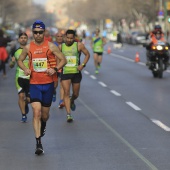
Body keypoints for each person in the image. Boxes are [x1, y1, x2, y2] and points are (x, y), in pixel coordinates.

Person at [17, 20, 67, 155]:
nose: (38, 35)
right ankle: (38, 143)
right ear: (32, 33)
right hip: (34, 84)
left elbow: (64, 59)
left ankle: (43, 124)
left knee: (44, 115)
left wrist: (55, 69)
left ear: (44, 32)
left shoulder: (51, 46)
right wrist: (25, 69)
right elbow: (20, 60)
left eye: (40, 32)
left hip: (48, 85)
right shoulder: (28, 47)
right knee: (36, 112)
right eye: (35, 32)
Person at [59, 29, 90, 122]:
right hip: (65, 73)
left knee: (75, 94)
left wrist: (83, 65)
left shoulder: (79, 45)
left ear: (74, 38)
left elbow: (87, 55)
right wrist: (58, 68)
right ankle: (68, 114)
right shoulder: (61, 47)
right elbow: (57, 58)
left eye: (71, 38)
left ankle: (72, 100)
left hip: (76, 73)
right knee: (66, 93)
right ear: (65, 37)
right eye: (67, 38)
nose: (69, 40)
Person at [9, 32, 30, 122]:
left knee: (29, 99)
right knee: (21, 96)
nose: (23, 39)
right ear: (18, 39)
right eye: (21, 37)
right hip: (19, 77)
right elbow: (11, 66)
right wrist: (13, 62)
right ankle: (23, 115)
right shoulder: (15, 51)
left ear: (27, 39)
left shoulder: (31, 50)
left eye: (25, 38)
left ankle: (25, 104)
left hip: (30, 77)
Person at [54, 31, 65, 109]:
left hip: (62, 67)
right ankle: (53, 91)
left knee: (62, 85)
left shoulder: (65, 45)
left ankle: (61, 100)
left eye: (61, 36)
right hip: (53, 67)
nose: (60, 38)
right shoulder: (52, 45)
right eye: (58, 36)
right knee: (55, 84)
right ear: (55, 37)